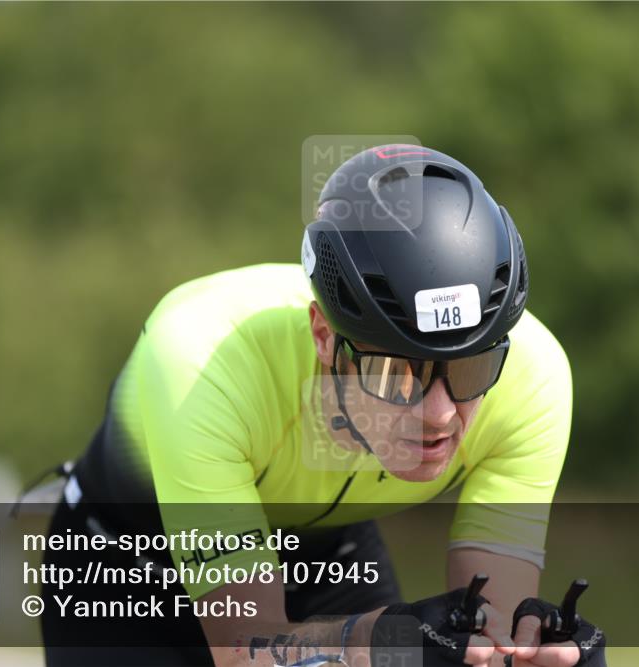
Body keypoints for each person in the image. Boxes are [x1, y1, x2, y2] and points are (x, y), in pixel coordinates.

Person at [37, 145, 606, 667]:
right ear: (323, 336)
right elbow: (248, 651)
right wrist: (378, 641)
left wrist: (529, 654)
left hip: (330, 550)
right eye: (394, 371)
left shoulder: (534, 377)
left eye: (468, 370)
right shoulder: (201, 359)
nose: (438, 414)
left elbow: (493, 634)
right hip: (129, 556)